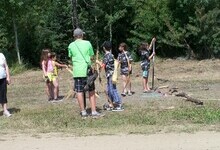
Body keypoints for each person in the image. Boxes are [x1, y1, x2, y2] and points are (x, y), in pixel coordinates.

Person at [68, 28, 104, 118]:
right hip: (87, 70)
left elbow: (70, 56)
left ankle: (83, 112)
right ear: (82, 35)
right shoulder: (87, 43)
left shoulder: (71, 45)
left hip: (77, 71)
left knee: (79, 91)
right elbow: (91, 56)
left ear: (74, 36)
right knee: (91, 91)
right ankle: (93, 111)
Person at [96, 41, 124, 111]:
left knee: (112, 89)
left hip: (111, 75)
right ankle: (111, 103)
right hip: (111, 75)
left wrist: (97, 62)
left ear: (104, 48)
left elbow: (103, 65)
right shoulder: (111, 55)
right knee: (109, 89)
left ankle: (118, 104)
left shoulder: (107, 56)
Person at [0, 52, 12, 117]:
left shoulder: (1, 55)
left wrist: (8, 77)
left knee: (3, 94)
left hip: (3, 78)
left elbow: (6, 66)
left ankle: (5, 111)